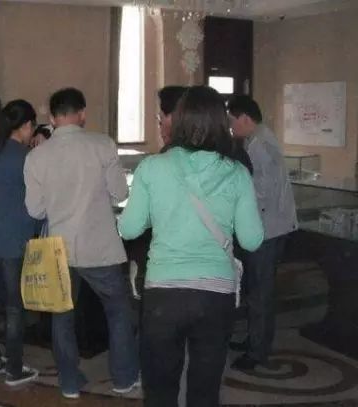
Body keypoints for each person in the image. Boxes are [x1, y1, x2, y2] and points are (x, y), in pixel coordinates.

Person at [118, 86, 264, 407]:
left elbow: (128, 229)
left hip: (164, 293)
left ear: (179, 120)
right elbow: (252, 239)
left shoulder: (152, 167)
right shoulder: (237, 173)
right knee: (205, 389)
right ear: (221, 122)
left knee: (159, 389)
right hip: (215, 294)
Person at [24, 87, 139, 399]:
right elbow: (120, 193)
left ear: (51, 117)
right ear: (83, 113)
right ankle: (124, 378)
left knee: (62, 317)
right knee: (118, 311)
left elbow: (35, 210)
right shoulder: (103, 145)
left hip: (58, 249)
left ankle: (69, 383)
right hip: (100, 247)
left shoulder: (36, 156)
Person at [228, 94, 298, 371]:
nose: (231, 127)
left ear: (245, 118)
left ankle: (257, 351)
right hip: (270, 227)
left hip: (267, 231)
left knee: (260, 292)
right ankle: (254, 339)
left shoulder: (259, 146)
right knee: (258, 289)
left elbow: (261, 193)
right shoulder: (261, 138)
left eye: (232, 121)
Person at [0, 100, 40, 386]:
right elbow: (37, 202)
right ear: (25, 126)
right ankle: (14, 369)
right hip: (13, 240)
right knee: (14, 306)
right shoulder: (27, 157)